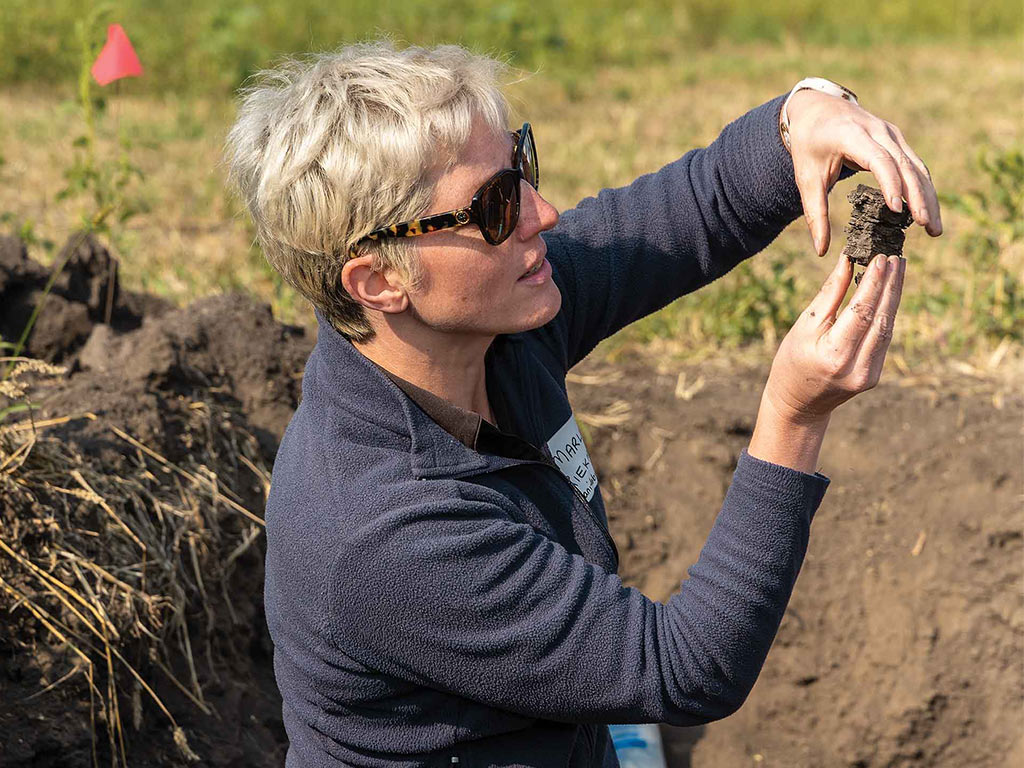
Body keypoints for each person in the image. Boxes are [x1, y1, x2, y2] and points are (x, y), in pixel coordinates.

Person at [223, 40, 941, 768]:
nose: (543, 213)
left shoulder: (486, 323)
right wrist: (794, 417)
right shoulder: (384, 533)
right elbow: (685, 671)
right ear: (378, 281)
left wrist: (802, 116)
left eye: (522, 165)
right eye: (495, 206)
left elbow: (685, 213)